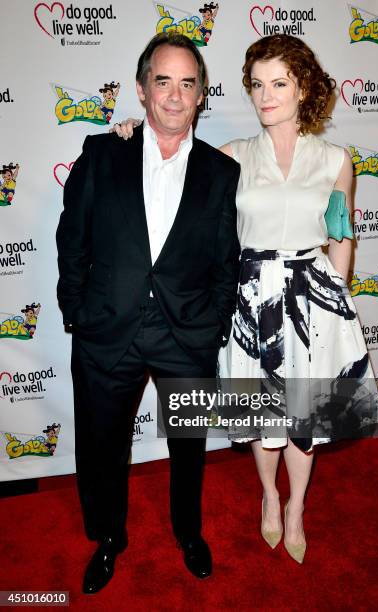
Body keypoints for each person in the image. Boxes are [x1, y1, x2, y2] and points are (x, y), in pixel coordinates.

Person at [114, 34, 378, 565]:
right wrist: (132, 132)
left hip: (314, 300)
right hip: (251, 299)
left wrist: (337, 304)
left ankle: (296, 509)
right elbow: (170, 157)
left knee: (306, 422)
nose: (265, 96)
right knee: (263, 418)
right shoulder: (232, 156)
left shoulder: (335, 160)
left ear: (303, 88)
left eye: (278, 83)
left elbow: (341, 234)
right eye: (257, 85)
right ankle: (268, 494)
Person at [56, 32, 240, 594]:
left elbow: (224, 257)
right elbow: (72, 239)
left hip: (185, 334)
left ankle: (188, 531)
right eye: (164, 81)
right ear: (142, 90)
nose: (175, 96)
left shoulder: (219, 170)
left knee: (189, 444)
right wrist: (77, 311)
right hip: (107, 328)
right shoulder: (102, 151)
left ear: (202, 94)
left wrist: (213, 322)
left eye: (188, 83)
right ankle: (109, 538)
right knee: (102, 441)